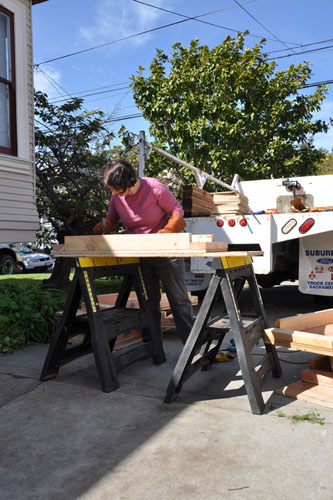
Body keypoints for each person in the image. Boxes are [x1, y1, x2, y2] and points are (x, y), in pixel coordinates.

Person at [93, 159, 194, 343]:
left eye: (119, 189)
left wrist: (168, 231)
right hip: (141, 254)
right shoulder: (117, 197)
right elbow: (112, 220)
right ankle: (153, 347)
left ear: (131, 180)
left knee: (178, 300)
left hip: (166, 253)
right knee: (149, 302)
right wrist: (102, 227)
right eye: (112, 190)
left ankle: (193, 348)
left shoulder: (154, 187)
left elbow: (177, 211)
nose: (115, 194)